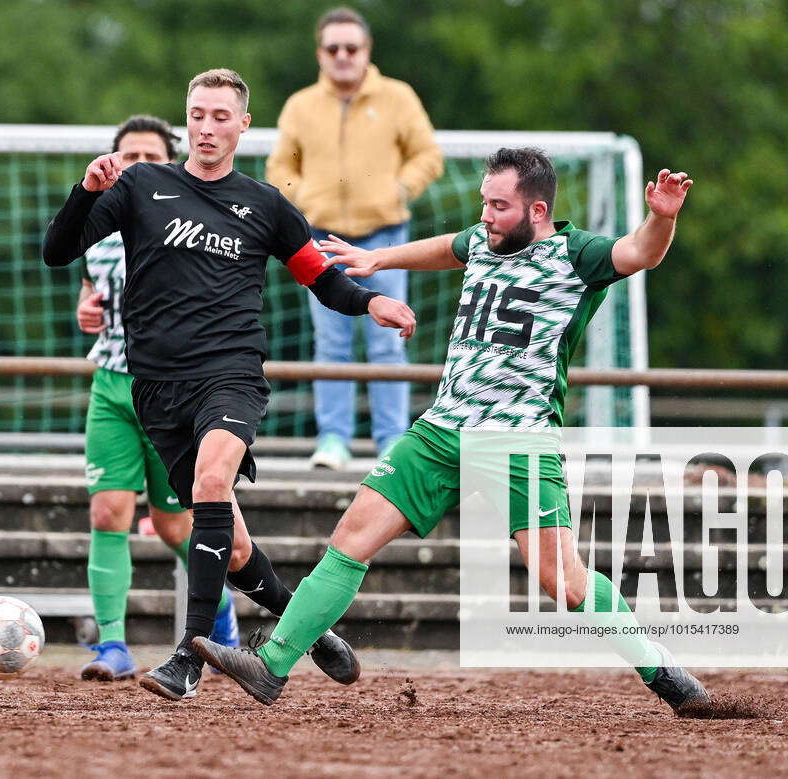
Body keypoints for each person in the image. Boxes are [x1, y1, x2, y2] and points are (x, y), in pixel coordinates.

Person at [193, 148, 712, 715]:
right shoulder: (487, 240)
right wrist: (377, 258)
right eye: (483, 203)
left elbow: (639, 252)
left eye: (499, 206)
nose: (485, 216)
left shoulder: (576, 253)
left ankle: (665, 673)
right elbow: (448, 248)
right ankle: (272, 666)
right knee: (351, 535)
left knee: (563, 582)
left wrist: (662, 217)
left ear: (537, 210)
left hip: (517, 440)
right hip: (441, 431)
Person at [43, 68, 416, 702]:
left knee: (213, 482)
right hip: (156, 386)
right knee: (233, 545)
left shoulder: (264, 203)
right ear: (185, 119)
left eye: (221, 116)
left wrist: (370, 302)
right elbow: (58, 250)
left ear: (243, 125)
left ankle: (187, 658)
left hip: (231, 375)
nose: (207, 126)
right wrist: (84, 191)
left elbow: (319, 276)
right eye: (197, 114)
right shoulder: (139, 186)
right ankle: (307, 626)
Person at [74, 115, 239, 682]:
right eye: (128, 157)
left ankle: (221, 621)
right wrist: (86, 310)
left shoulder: (189, 224)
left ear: (169, 163)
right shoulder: (99, 229)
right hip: (112, 388)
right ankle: (112, 647)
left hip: (173, 392)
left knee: (175, 527)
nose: (137, 166)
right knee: (108, 510)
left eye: (150, 157)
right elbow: (91, 291)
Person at [266, 6, 443, 470]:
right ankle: (333, 441)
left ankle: (391, 442)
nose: (343, 56)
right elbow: (280, 167)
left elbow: (428, 155)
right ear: (319, 54)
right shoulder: (301, 105)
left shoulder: (398, 98)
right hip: (321, 239)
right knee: (331, 343)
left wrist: (399, 189)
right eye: (333, 48)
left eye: (352, 47)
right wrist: (303, 196)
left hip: (384, 237)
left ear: (367, 51)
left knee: (388, 342)